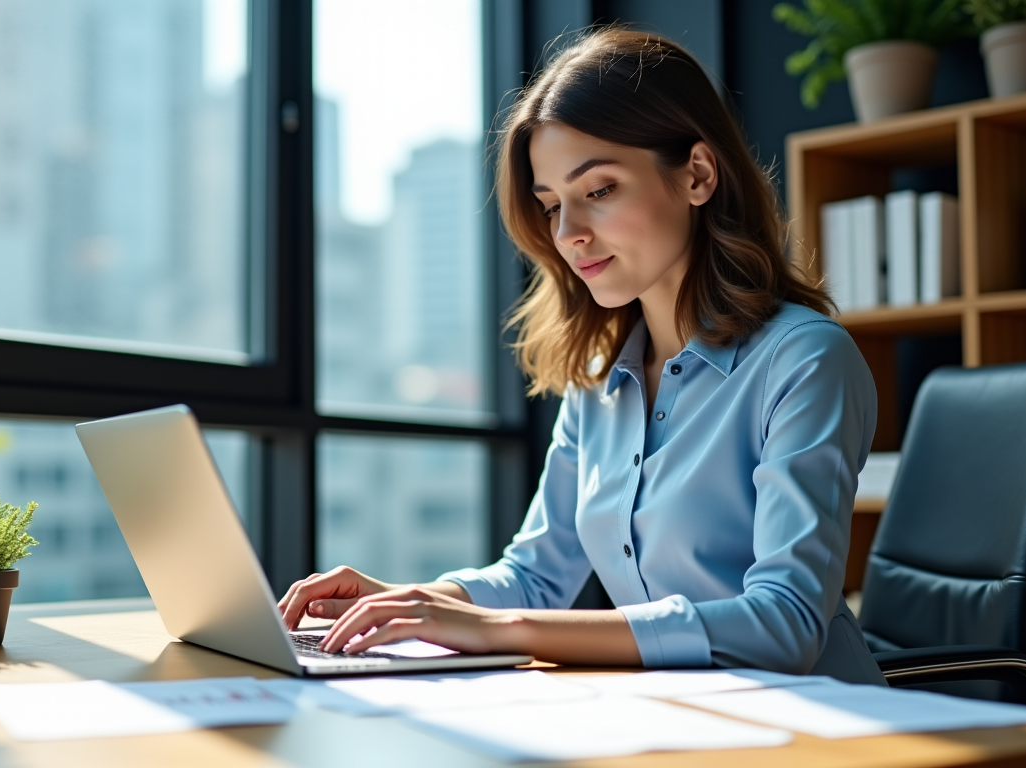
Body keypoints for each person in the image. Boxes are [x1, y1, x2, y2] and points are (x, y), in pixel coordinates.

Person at [278, 27, 886, 685]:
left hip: (827, 727)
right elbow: (537, 576)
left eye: (598, 190)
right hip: (685, 720)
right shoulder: (600, 384)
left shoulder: (805, 361)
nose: (568, 234)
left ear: (698, 175)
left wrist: (499, 630)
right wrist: (413, 603)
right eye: (551, 206)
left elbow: (785, 625)